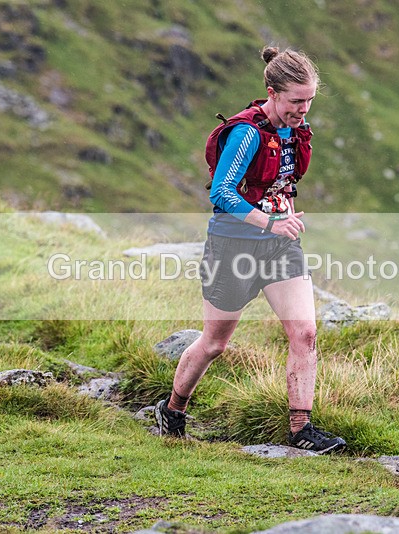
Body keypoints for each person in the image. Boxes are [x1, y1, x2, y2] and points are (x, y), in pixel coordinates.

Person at [154, 45, 346, 454]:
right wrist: (270, 220)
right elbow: (222, 193)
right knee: (214, 344)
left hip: (280, 247)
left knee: (305, 333)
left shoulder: (295, 130)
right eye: (296, 101)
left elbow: (278, 183)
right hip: (232, 248)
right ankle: (173, 409)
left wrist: (283, 214)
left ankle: (301, 429)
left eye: (309, 100)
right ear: (272, 93)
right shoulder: (246, 133)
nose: (303, 110)